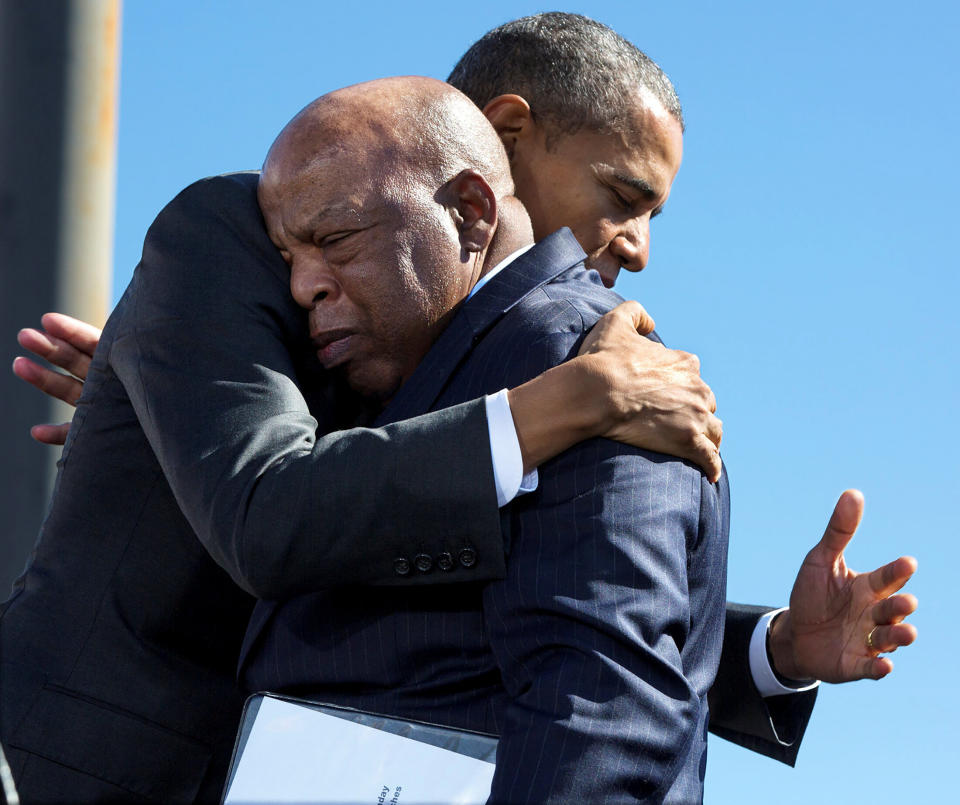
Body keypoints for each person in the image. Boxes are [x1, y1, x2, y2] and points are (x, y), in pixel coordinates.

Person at [11, 10, 917, 782]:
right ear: (504, 143)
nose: (638, 246)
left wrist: (771, 651)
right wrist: (567, 402)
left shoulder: (514, 348)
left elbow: (539, 613)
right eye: (623, 193)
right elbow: (270, 505)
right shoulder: (238, 237)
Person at [246, 73, 729, 804]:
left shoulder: (595, 360)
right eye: (625, 197)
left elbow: (600, 706)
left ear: (473, 206)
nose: (639, 250)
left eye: (337, 240)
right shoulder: (378, 365)